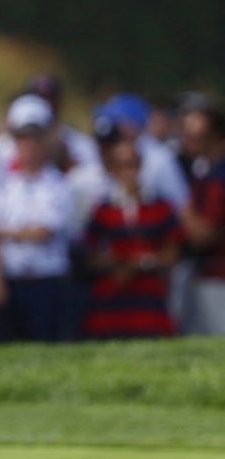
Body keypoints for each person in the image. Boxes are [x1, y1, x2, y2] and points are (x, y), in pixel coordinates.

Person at [0, 95, 77, 342]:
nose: (29, 147)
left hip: (46, 281)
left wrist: (4, 232)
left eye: (35, 141)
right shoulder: (4, 184)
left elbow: (44, 232)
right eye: (23, 141)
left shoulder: (58, 184)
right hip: (11, 278)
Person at [82, 138, 183, 338]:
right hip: (113, 295)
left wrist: (141, 262)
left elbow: (172, 254)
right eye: (121, 165)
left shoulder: (160, 206)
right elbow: (90, 255)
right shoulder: (103, 209)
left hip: (148, 296)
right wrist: (114, 264)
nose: (128, 171)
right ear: (111, 169)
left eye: (132, 164)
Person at [179, 101, 225, 336]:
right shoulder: (205, 170)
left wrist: (178, 206)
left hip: (217, 277)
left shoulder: (217, 179)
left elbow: (203, 235)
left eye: (194, 135)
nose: (186, 139)